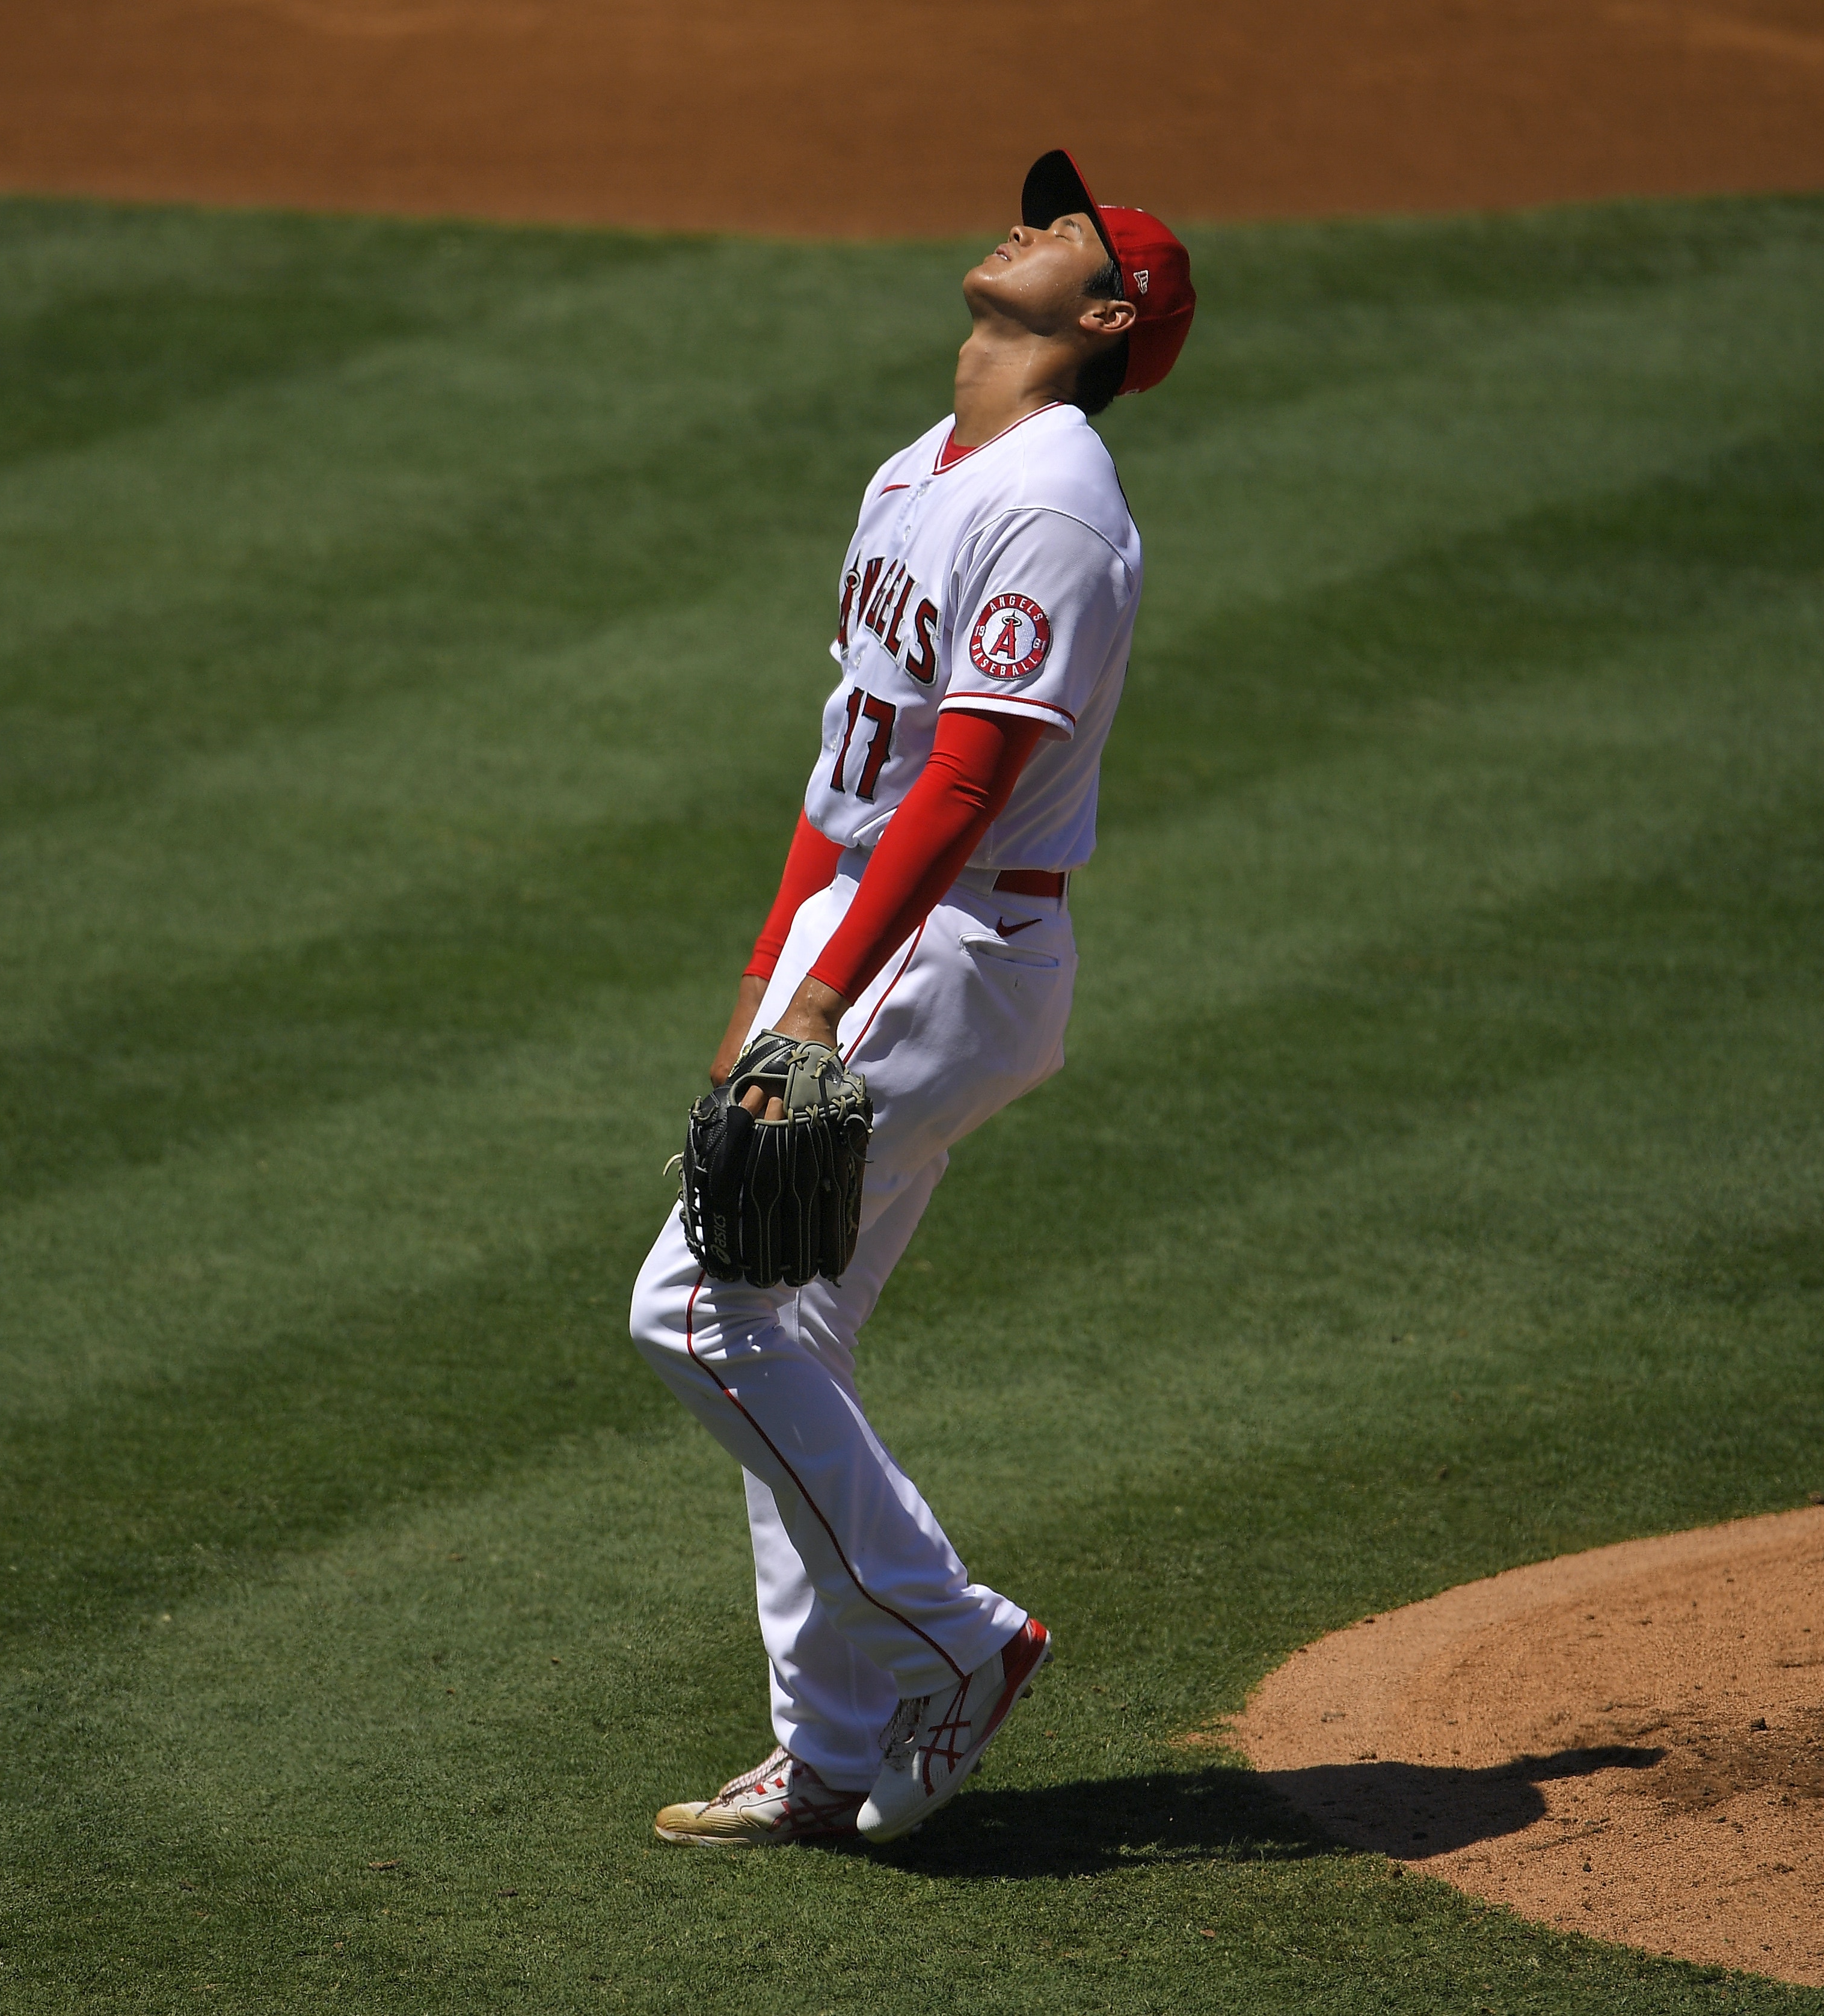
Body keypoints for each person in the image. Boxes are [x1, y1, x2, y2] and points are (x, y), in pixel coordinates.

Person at [630, 150, 1194, 1847]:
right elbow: (845, 772)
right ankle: (830, 1748)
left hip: (954, 948)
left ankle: (960, 1635)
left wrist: (828, 1006)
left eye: (1068, 231)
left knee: (697, 1308)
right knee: (789, 1333)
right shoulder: (917, 471)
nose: (1024, 220)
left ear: (1104, 318)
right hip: (886, 942)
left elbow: (962, 781)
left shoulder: (1057, 500)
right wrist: (766, 983)